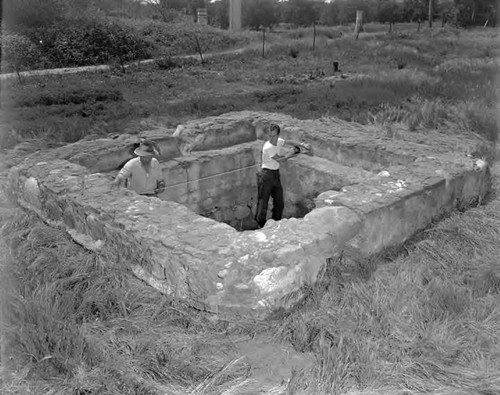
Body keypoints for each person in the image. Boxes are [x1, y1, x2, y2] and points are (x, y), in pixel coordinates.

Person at [254, 123, 310, 228]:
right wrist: (292, 151)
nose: (271, 138)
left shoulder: (279, 141)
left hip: (275, 175)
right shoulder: (268, 146)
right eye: (269, 136)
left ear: (278, 135)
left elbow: (289, 142)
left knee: (279, 202)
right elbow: (281, 160)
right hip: (265, 175)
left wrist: (302, 145)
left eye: (274, 136)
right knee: (263, 203)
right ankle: (260, 226)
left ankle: (276, 224)